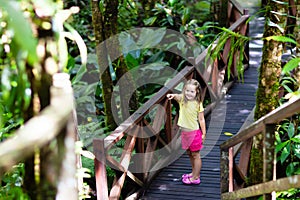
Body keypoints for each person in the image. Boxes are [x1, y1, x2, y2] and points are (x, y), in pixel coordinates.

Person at [166, 79, 206, 185]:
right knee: (189, 153)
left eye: (192, 91)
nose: (189, 93)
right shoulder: (182, 99)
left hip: (194, 133)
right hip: (185, 133)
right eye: (187, 91)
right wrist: (172, 95)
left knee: (196, 155)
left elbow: (201, 119)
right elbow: (177, 96)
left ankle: (196, 177)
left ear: (197, 92)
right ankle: (193, 173)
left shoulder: (198, 103)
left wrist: (204, 133)